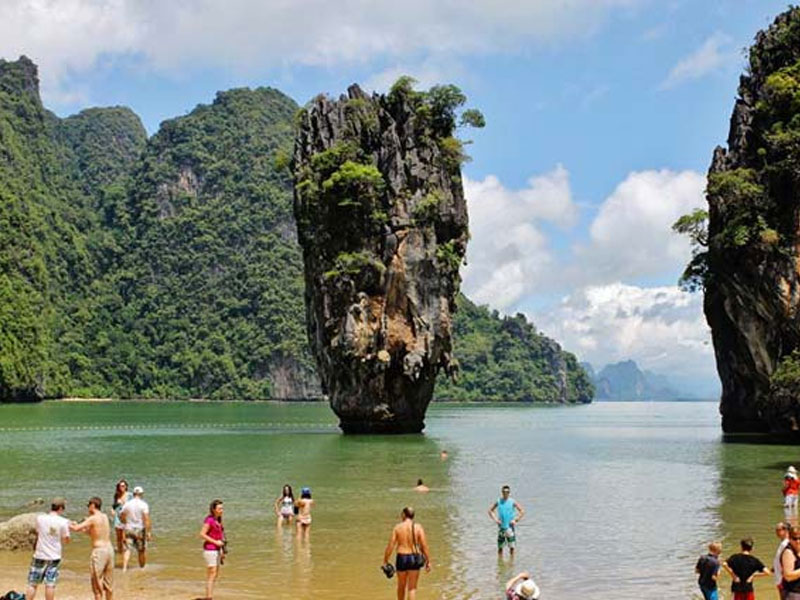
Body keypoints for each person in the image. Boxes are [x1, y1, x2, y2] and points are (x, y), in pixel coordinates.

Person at [25, 497, 70, 600]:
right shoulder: (63, 522)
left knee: (32, 583)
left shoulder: (40, 518)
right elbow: (66, 539)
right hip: (54, 556)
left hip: (39, 554)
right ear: (61, 508)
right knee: (50, 584)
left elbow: (38, 531)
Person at [382, 507, 431, 600]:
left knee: (401, 586)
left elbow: (390, 545)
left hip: (402, 557)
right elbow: (424, 546)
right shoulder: (418, 527)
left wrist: (385, 560)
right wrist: (428, 561)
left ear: (404, 515)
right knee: (412, 588)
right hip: (415, 558)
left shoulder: (397, 527)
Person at [70, 497, 113, 600]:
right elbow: (95, 533)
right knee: (109, 585)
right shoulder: (105, 516)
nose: (88, 508)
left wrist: (67, 523)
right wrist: (84, 529)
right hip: (109, 551)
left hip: (99, 552)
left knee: (97, 587)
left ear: (93, 505)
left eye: (88, 505)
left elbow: (75, 528)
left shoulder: (92, 518)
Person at [120, 486, 151, 572]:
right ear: (142, 494)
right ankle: (142, 568)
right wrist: (148, 532)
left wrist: (124, 523)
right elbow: (146, 519)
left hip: (128, 528)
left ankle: (124, 569)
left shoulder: (127, 504)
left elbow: (121, 515)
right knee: (141, 551)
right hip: (139, 530)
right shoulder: (144, 505)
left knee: (127, 549)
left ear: (133, 494)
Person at [199, 499, 226, 600]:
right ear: (213, 509)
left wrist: (222, 550)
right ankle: (209, 597)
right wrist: (215, 542)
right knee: (212, 574)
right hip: (210, 549)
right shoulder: (209, 520)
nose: (221, 510)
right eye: (219, 508)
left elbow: (220, 536)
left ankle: (209, 596)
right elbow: (202, 534)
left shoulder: (218, 519)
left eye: (222, 508)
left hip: (217, 550)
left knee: (214, 574)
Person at [488, 485, 526, 556]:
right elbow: (490, 511)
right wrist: (496, 520)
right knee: (500, 548)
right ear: (502, 492)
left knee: (512, 548)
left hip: (510, 528)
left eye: (507, 492)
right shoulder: (499, 501)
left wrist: (516, 520)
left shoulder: (512, 501)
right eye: (504, 492)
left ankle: (511, 564)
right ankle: (500, 563)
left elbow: (522, 511)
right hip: (501, 528)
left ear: (509, 492)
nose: (506, 493)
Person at [110, 479, 131, 557]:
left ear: (126, 487)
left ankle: (125, 551)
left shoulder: (130, 495)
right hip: (117, 517)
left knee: (124, 537)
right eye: (120, 486)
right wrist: (112, 510)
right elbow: (114, 506)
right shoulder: (117, 495)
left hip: (126, 518)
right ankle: (120, 552)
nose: (121, 487)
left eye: (123, 486)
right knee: (118, 537)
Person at [781, 526, 800, 600]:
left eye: (799, 538)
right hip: (793, 593)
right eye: (794, 539)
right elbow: (788, 576)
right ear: (789, 538)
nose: (798, 541)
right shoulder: (788, 553)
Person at [776, 523, 791, 599]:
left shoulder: (786, 544)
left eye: (778, 530)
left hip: (783, 579)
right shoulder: (783, 543)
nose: (776, 532)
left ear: (786, 531)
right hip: (780, 578)